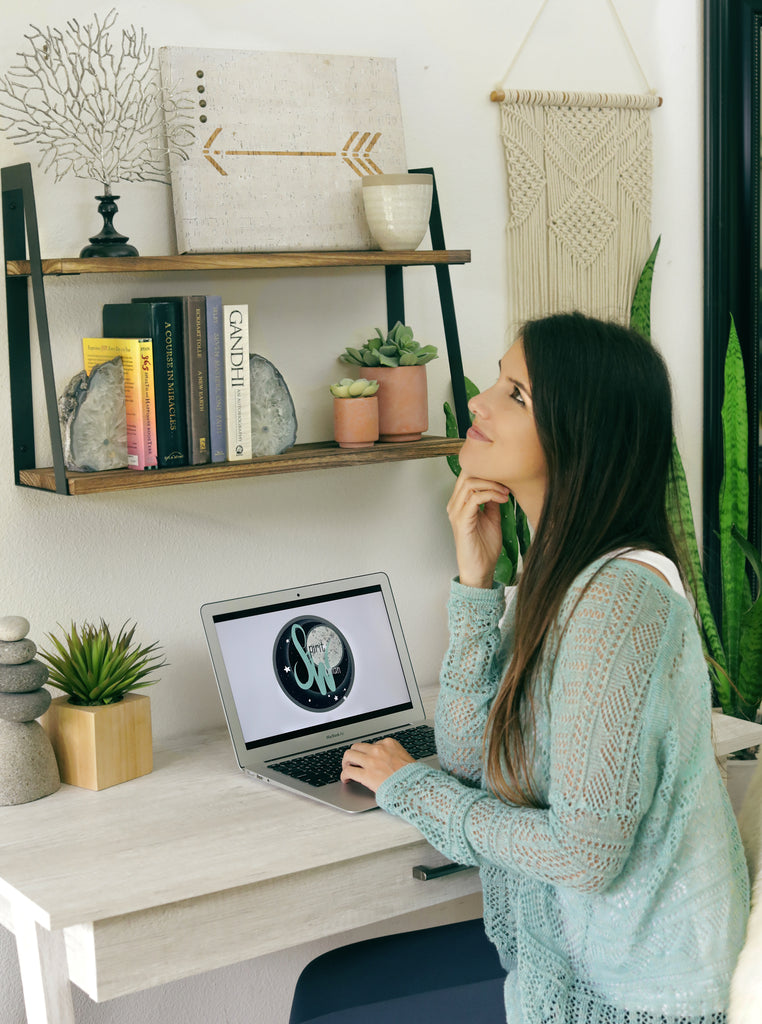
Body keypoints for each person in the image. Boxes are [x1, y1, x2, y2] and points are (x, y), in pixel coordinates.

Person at [340, 312, 750, 1023]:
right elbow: (471, 759)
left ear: (580, 433)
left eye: (516, 394)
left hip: (636, 1001)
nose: (479, 401)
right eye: (500, 382)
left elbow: (585, 855)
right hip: (562, 973)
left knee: (330, 998)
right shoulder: (558, 578)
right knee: (332, 990)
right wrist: (475, 582)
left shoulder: (618, 600)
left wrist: (410, 789)